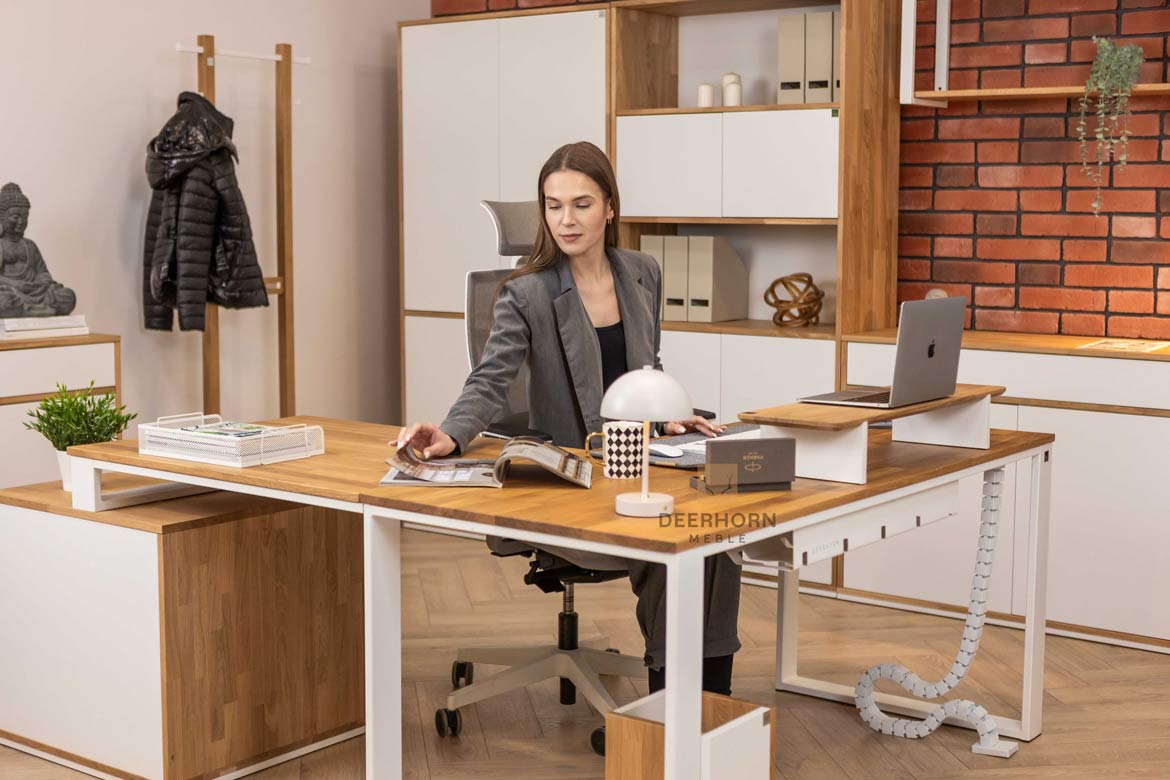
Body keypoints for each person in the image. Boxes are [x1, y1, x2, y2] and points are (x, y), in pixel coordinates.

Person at [397, 141, 742, 696]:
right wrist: (452, 433)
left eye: (581, 204)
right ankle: (670, 713)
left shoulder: (642, 273)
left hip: (636, 459)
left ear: (610, 207)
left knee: (719, 537)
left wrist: (670, 417)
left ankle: (709, 707)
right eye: (553, 205)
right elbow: (490, 380)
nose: (566, 219)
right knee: (668, 542)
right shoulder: (527, 293)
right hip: (573, 475)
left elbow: (645, 369)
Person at [0, 183, 76, 318]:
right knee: (3, 301)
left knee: (68, 297)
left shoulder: (30, 246)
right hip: (10, 292)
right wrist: (17, 285)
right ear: (2, 217)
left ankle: (29, 310)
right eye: (15, 217)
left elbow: (43, 273)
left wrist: (41, 284)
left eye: (25, 217)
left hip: (35, 291)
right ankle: (37, 310)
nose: (21, 222)